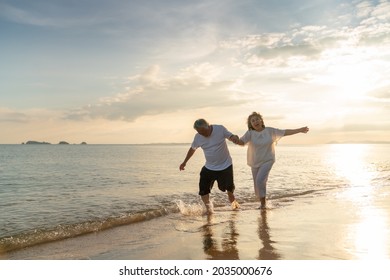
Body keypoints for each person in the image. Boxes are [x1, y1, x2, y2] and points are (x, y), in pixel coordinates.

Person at [236, 112, 309, 209]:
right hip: (255, 162)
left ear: (261, 120)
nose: (255, 122)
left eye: (257, 119)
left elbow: (284, 132)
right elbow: (241, 142)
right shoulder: (250, 133)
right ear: (251, 124)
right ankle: (263, 203)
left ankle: (263, 205)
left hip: (268, 160)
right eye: (253, 121)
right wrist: (234, 139)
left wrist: (299, 130)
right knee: (258, 184)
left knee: (260, 180)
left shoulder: (270, 131)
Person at [179, 119, 240, 213]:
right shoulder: (198, 137)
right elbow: (192, 149)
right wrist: (184, 162)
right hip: (209, 167)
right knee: (203, 190)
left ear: (208, 126)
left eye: (203, 132)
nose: (202, 134)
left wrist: (234, 137)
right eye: (200, 132)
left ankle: (235, 207)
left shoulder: (219, 129)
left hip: (225, 165)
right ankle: (209, 210)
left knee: (229, 190)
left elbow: (230, 136)